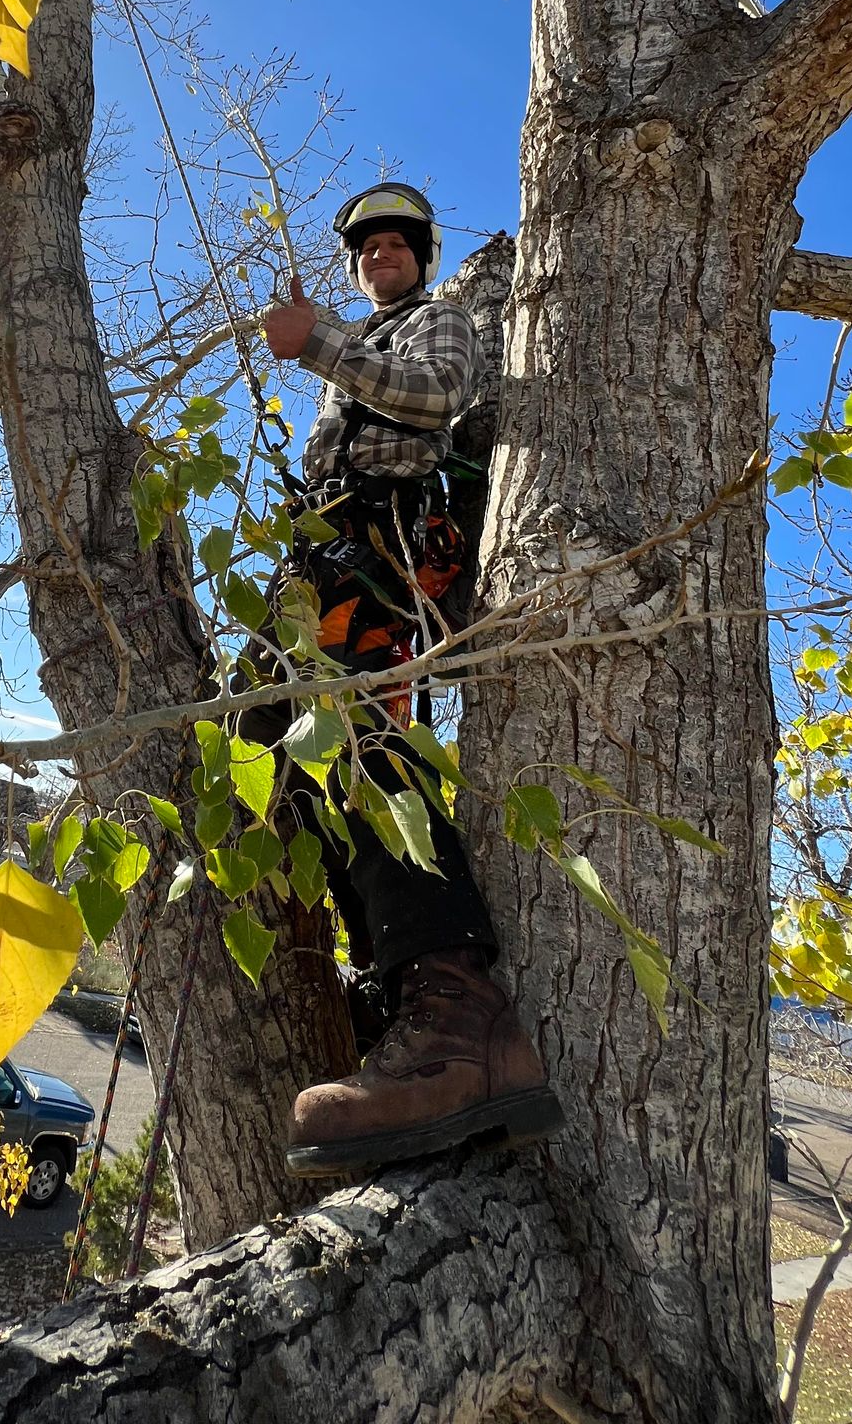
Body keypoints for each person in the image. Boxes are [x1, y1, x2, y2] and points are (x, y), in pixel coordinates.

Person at [253, 182, 563, 1177]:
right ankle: (388, 982)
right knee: (269, 747)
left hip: (381, 547)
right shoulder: (366, 346)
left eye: (396, 242)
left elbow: (437, 400)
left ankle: (457, 1006)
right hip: (321, 556)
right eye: (366, 245)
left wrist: (318, 342)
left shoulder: (439, 324)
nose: (380, 252)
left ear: (423, 256)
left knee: (361, 746)